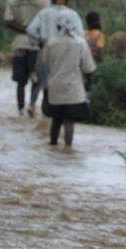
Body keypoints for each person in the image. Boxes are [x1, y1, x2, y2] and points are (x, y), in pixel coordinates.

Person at [40, 10, 96, 147]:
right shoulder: (80, 43)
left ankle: (53, 144)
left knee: (56, 119)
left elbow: (45, 62)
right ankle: (68, 148)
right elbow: (88, 68)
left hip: (55, 87)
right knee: (68, 121)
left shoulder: (51, 43)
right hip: (74, 88)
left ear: (57, 26)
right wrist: (88, 83)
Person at [26, 0, 84, 118]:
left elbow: (30, 30)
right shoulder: (73, 14)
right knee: (64, 88)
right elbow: (80, 35)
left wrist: (41, 41)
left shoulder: (43, 13)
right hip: (66, 56)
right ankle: (57, 120)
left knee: (46, 88)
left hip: (46, 52)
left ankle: (44, 121)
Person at [4, 0, 50, 118]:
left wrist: (25, 29)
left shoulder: (12, 1)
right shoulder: (45, 1)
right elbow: (46, 20)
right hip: (37, 44)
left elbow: (8, 21)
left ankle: (21, 111)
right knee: (37, 80)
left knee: (20, 82)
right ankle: (32, 105)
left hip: (19, 43)